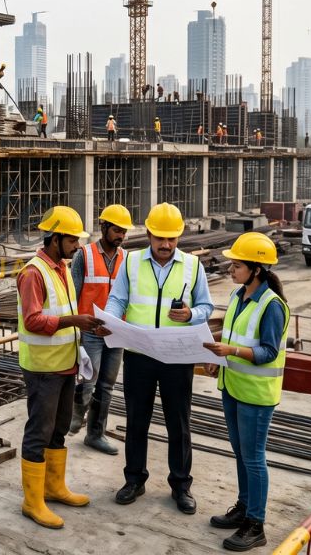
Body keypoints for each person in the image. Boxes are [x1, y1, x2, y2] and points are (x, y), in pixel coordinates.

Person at [103, 202, 214, 515]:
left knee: (179, 424)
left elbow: (207, 307)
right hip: (139, 355)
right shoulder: (131, 262)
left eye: (172, 239)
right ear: (149, 234)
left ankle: (181, 485)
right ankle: (134, 479)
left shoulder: (193, 267)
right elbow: (117, 299)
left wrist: (192, 313)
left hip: (177, 358)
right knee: (136, 422)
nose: (166, 245)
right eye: (160, 238)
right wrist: (110, 320)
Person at [201, 232, 290, 551]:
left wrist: (231, 351)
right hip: (233, 386)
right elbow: (235, 336)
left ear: (256, 269)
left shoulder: (272, 306)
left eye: (236, 265)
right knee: (241, 453)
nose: (230, 269)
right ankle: (244, 507)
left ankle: (256, 524)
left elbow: (267, 352)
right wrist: (218, 361)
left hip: (256, 394)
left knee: (253, 458)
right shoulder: (241, 296)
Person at [16, 206, 101, 529]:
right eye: (72, 240)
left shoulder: (61, 268)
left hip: (65, 365)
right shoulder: (34, 272)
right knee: (39, 430)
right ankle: (32, 501)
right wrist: (74, 320)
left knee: (59, 428)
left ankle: (53, 487)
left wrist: (84, 331)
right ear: (55, 238)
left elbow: (63, 312)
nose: (77, 246)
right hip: (43, 369)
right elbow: (33, 319)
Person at [69, 204, 132, 454]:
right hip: (90, 332)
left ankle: (95, 434)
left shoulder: (127, 259)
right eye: (117, 230)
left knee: (106, 385)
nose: (121, 236)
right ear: (104, 227)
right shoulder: (83, 255)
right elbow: (73, 295)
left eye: (124, 232)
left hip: (115, 333)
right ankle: (75, 416)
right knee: (87, 381)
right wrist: (74, 325)